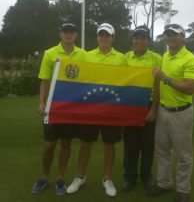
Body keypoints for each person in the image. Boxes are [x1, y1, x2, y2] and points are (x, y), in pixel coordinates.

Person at [66, 23, 126, 197]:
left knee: (109, 144)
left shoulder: (122, 58)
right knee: (85, 143)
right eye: (101, 35)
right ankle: (80, 177)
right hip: (90, 108)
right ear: (97, 37)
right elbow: (75, 75)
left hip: (111, 108)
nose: (104, 38)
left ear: (113, 38)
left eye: (107, 35)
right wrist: (61, 66)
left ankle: (107, 179)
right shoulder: (86, 56)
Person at [31, 22, 86, 195]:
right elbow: (44, 80)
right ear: (60, 34)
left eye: (72, 31)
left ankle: (60, 178)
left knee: (66, 143)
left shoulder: (83, 55)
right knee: (49, 145)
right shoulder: (50, 53)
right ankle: (45, 177)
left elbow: (87, 80)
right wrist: (42, 103)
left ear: (76, 35)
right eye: (65, 31)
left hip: (72, 108)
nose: (68, 34)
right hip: (53, 107)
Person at [149, 23, 194, 202]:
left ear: (183, 36)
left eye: (174, 34)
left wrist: (166, 78)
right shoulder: (165, 55)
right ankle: (164, 183)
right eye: (168, 34)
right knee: (162, 151)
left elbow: (190, 87)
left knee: (184, 154)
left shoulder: (191, 59)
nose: (170, 37)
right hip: (164, 111)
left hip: (181, 113)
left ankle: (183, 189)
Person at [122, 25, 162, 192]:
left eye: (143, 37)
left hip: (148, 105)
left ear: (148, 40)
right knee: (130, 144)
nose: (139, 40)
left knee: (147, 145)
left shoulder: (156, 58)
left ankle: (146, 176)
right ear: (133, 39)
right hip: (130, 107)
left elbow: (158, 86)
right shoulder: (126, 58)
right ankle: (129, 177)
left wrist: (154, 109)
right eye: (136, 37)